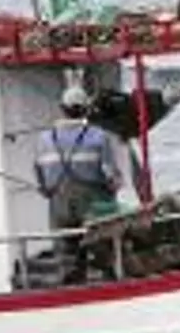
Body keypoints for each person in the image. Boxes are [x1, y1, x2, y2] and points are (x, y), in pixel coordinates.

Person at [33, 85, 124, 279]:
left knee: (66, 254)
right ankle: (110, 279)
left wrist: (49, 190)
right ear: (86, 109)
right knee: (104, 249)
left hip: (59, 205)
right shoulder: (99, 136)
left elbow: (40, 176)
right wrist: (115, 186)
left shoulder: (44, 139)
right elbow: (111, 176)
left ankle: (71, 283)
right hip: (92, 205)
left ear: (61, 108)